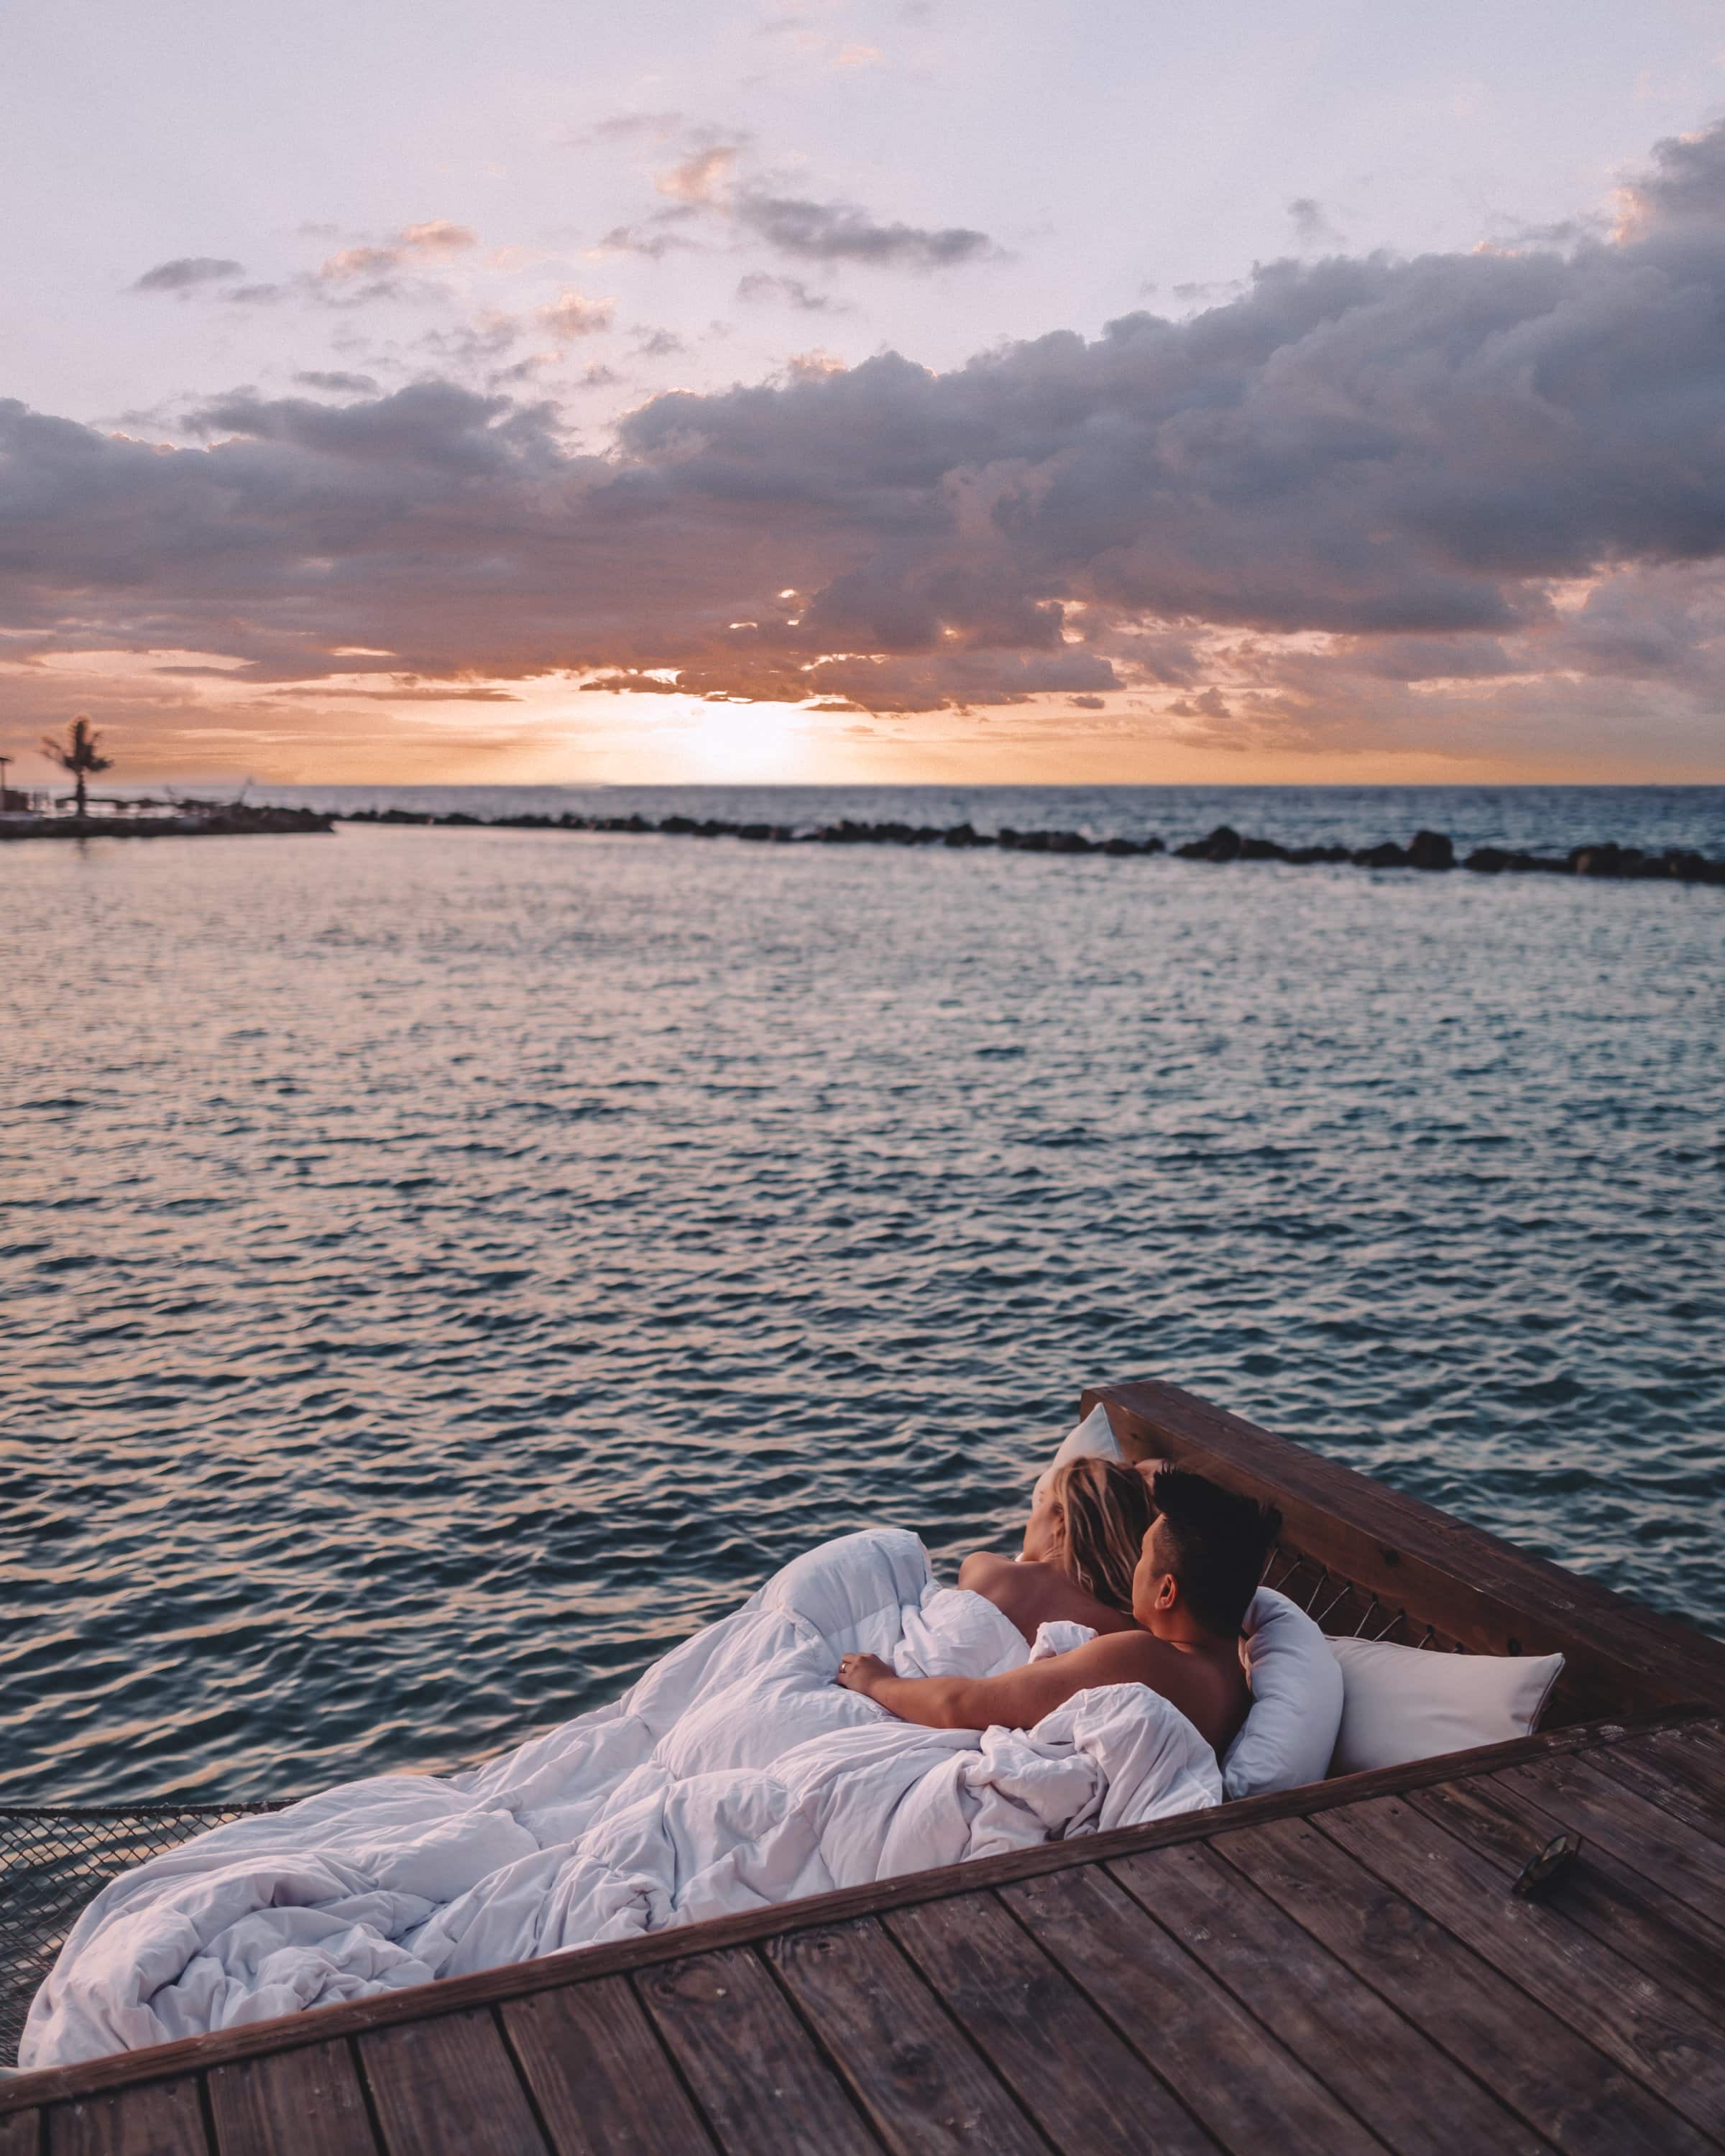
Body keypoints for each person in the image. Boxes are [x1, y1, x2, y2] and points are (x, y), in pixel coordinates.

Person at [837, 1466, 1280, 1756]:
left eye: (1143, 1555)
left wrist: (878, 1681)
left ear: (1166, 1591)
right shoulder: (1234, 1683)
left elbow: (962, 1704)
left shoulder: (1142, 1657)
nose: (1135, 1566)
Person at [955, 1457, 1153, 1642]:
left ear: (1062, 1517)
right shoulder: (1128, 1628)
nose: (1031, 1519)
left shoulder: (985, 1569)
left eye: (1041, 1502)